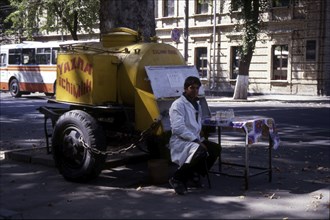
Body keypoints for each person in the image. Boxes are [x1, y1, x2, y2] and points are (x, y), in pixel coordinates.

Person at [168, 76, 220, 195]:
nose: (195, 90)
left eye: (197, 88)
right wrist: (196, 140)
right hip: (181, 140)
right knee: (200, 150)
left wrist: (200, 132)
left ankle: (194, 174)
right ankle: (177, 178)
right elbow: (178, 128)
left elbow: (195, 122)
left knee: (215, 149)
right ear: (186, 89)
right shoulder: (178, 104)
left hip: (195, 138)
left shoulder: (196, 103)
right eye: (192, 88)